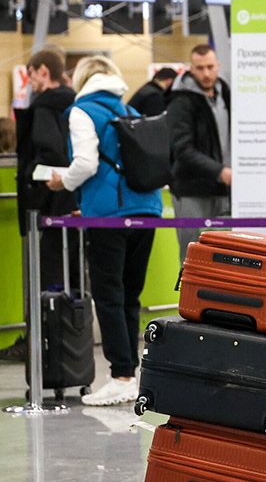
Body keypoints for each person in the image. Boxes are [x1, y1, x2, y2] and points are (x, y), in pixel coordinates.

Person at [46, 56, 163, 406]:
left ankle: (120, 375)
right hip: (148, 209)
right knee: (130, 294)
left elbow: (86, 162)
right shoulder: (128, 109)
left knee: (108, 295)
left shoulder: (82, 111)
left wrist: (62, 181)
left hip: (109, 216)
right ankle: (131, 374)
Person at [1, 50, 78, 362]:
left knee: (46, 277)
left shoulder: (44, 106)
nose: (30, 81)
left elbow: (48, 151)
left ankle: (41, 341)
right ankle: (61, 340)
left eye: (31, 74)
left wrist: (37, 181)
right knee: (66, 276)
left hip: (48, 206)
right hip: (71, 203)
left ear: (43, 72)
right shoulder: (73, 103)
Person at [167, 45, 231, 264]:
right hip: (191, 189)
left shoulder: (227, 95)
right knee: (191, 257)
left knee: (225, 256)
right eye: (200, 68)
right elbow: (182, 150)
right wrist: (219, 171)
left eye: (210, 67)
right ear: (191, 69)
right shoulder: (180, 102)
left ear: (218, 67)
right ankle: (187, 298)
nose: (206, 73)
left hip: (224, 190)